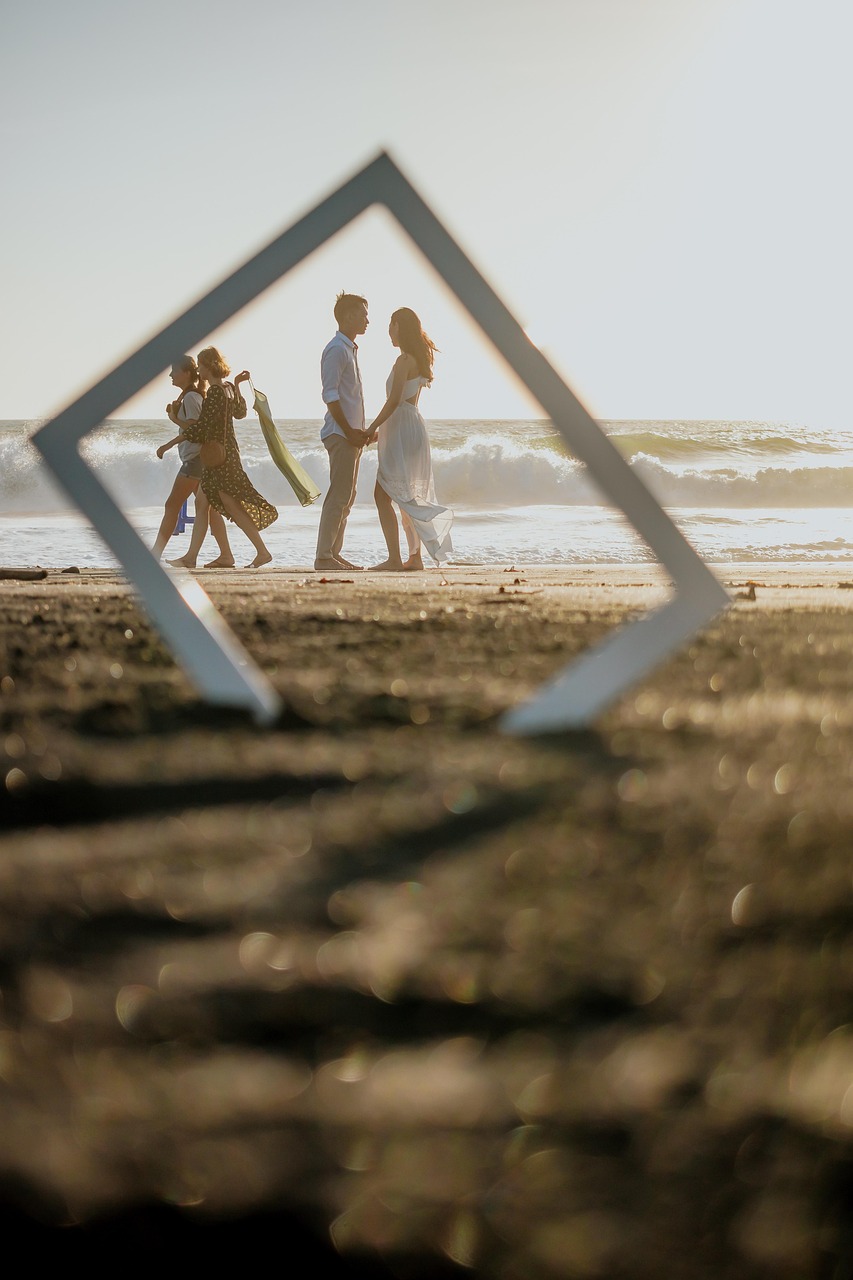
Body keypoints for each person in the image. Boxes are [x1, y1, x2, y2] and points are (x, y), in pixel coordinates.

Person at [367, 308, 452, 571]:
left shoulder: (404, 361)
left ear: (399, 327)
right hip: (411, 424)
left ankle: (395, 558)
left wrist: (371, 427)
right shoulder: (417, 358)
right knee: (406, 494)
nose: (388, 332)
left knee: (384, 495)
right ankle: (414, 558)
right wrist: (384, 430)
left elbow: (394, 401)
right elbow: (405, 402)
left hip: (402, 426)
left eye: (390, 326)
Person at [180, 347, 278, 568]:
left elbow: (203, 427)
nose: (198, 370)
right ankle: (197, 557)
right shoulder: (228, 388)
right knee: (202, 501)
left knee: (231, 505)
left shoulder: (215, 391)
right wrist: (238, 384)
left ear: (209, 366)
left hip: (219, 458)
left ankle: (261, 552)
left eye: (201, 365)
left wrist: (173, 436)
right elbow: (240, 412)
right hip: (227, 453)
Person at [152, 357, 234, 566]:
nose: (170, 375)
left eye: (174, 371)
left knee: (172, 505)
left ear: (187, 373)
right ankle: (226, 555)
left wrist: (173, 421)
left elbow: (197, 429)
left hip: (195, 460)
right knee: (210, 508)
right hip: (198, 459)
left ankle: (154, 555)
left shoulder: (191, 397)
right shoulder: (189, 396)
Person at [314, 292, 371, 572]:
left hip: (351, 434)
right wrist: (349, 431)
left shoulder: (349, 348)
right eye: (362, 314)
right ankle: (324, 556)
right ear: (347, 316)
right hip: (340, 434)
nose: (367, 320)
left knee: (347, 497)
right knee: (339, 496)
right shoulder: (337, 349)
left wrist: (362, 432)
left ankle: (333, 553)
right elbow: (331, 396)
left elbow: (351, 399)